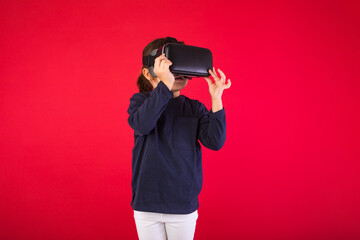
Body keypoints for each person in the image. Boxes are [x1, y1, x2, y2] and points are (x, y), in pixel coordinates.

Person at [127, 36, 231, 240]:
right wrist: (164, 85)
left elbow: (215, 141)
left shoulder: (194, 108)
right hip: (147, 203)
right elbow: (142, 124)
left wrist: (216, 97)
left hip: (182, 203)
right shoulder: (140, 102)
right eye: (168, 66)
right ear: (149, 73)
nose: (176, 73)